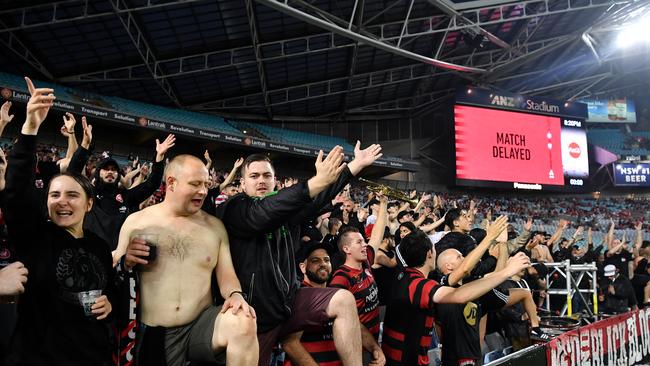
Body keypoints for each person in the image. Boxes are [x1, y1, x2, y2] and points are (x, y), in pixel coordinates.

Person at [216, 142, 383, 366]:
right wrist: (315, 181)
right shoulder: (235, 207)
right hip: (257, 317)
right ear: (243, 183)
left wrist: (354, 166)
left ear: (275, 180)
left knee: (343, 300)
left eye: (267, 175)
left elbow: (318, 197)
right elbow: (263, 213)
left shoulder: (287, 208)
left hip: (290, 304)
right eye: (254, 176)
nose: (261, 180)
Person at [4, 77, 114, 365]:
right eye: (54, 195)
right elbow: (16, 191)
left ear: (89, 203)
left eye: (71, 195)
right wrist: (30, 127)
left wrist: (108, 304)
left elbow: (108, 293)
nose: (61, 201)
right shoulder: (35, 236)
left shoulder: (100, 247)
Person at [115, 154, 258, 366]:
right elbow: (114, 271)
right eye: (195, 184)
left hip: (199, 328)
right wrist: (126, 261)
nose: (203, 191)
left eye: (206, 184)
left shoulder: (215, 227)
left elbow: (227, 276)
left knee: (243, 321)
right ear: (171, 182)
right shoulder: (137, 222)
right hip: (153, 332)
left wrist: (236, 294)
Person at [381, 230, 532, 366]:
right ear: (429, 254)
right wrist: (506, 270)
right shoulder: (418, 285)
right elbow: (458, 295)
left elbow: (466, 278)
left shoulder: (404, 278)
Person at [68, 119, 174, 249]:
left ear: (118, 175)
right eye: (106, 169)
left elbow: (151, 184)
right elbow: (72, 175)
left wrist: (159, 159)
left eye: (114, 170)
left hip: (116, 260)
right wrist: (84, 145)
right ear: (98, 173)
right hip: (88, 255)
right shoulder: (88, 194)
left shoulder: (126, 196)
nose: (110, 172)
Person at [329, 196, 387, 365]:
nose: (364, 245)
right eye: (359, 242)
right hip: (358, 349)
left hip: (374, 340)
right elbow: (349, 321)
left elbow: (377, 236)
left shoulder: (366, 262)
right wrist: (374, 347)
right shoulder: (341, 278)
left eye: (363, 241)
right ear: (346, 249)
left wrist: (383, 204)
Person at [282, 241, 341, 365]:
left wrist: (374, 347)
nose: (323, 264)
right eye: (315, 261)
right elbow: (290, 343)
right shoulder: (301, 296)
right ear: (303, 267)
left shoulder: (333, 295)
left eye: (327, 260)